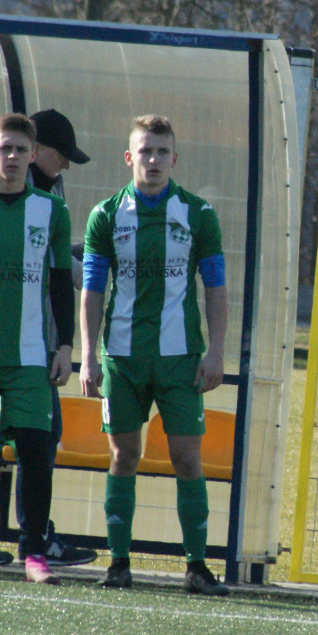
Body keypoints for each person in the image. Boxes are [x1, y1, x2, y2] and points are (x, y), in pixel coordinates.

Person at [0, 108, 97, 568]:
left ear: (31, 154)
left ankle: (33, 545)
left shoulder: (50, 205)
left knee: (36, 444)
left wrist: (65, 345)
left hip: (31, 350)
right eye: (5, 148)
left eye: (19, 150)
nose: (65, 164)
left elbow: (50, 275)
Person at [79, 114, 229, 596]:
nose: (154, 160)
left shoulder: (198, 214)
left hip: (180, 359)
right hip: (122, 359)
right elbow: (92, 291)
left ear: (174, 159)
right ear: (130, 157)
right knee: (124, 455)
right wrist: (88, 356)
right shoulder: (105, 215)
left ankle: (197, 566)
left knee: (187, 458)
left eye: (162, 152)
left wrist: (216, 351)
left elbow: (216, 289)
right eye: (145, 151)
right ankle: (119, 563)